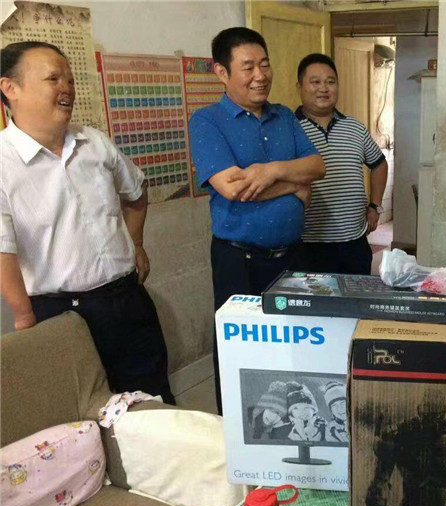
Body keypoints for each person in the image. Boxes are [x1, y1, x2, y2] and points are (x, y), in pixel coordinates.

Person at [0, 41, 174, 404]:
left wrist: (136, 243)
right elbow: (3, 253)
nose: (67, 88)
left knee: (153, 402)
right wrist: (26, 321)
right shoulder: (4, 162)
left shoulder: (93, 143)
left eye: (70, 79)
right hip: (59, 314)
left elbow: (136, 191)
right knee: (83, 417)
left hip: (126, 299)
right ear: (10, 88)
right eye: (53, 79)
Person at [189, 28, 325, 414]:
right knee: (240, 354)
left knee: (294, 348)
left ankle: (291, 422)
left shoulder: (284, 116)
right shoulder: (207, 121)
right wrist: (293, 185)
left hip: (292, 258)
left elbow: (317, 166)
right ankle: (236, 429)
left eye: (264, 64)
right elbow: (232, 187)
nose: (260, 75)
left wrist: (271, 171)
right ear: (221, 72)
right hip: (239, 261)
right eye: (248, 67)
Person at [293, 53, 388, 275]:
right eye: (315, 82)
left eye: (330, 82)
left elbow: (379, 164)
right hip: (307, 243)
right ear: (300, 87)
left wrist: (375, 206)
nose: (324, 89)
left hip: (354, 242)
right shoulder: (289, 129)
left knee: (355, 296)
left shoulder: (355, 128)